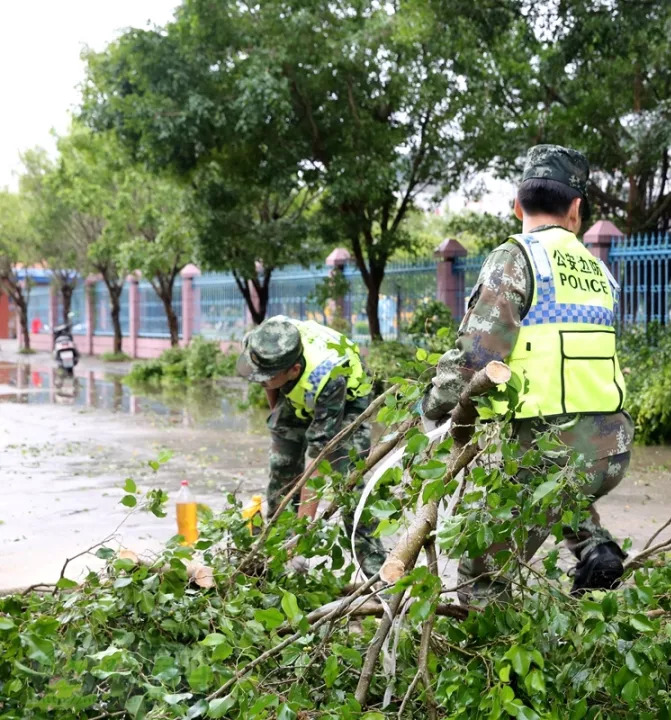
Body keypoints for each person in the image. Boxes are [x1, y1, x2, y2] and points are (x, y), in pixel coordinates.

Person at [422, 144, 634, 602]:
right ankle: (596, 551)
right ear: (576, 208)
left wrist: (432, 407)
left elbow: (475, 354)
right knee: (560, 494)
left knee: (479, 574)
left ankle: (494, 668)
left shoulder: (519, 257)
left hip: (550, 443)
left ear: (517, 205)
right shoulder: (598, 270)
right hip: (611, 445)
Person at [236, 315, 385, 575]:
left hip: (348, 399)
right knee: (281, 466)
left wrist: (302, 535)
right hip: (301, 387)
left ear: (293, 369)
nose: (260, 382)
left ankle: (378, 576)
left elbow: (318, 460)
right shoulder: (262, 341)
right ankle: (277, 553)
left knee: (348, 484)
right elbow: (264, 380)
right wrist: (279, 420)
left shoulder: (329, 376)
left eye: (267, 378)